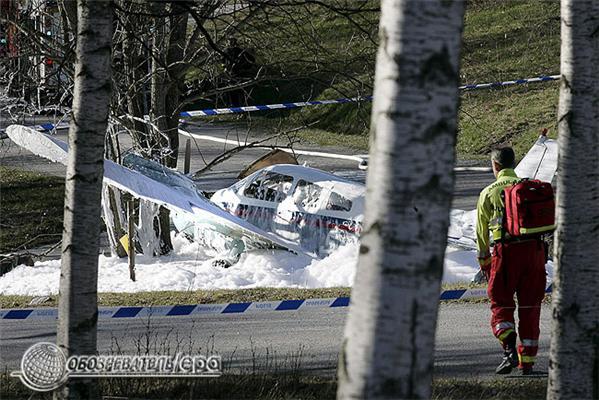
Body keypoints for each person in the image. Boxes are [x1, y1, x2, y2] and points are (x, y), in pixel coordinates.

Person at [476, 146, 547, 375]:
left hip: (506, 254)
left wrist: (484, 261)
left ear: (495, 166)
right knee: (530, 306)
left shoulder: (488, 192)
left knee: (500, 302)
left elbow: (481, 234)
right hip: (535, 253)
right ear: (513, 164)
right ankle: (527, 361)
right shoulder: (529, 186)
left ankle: (508, 350)